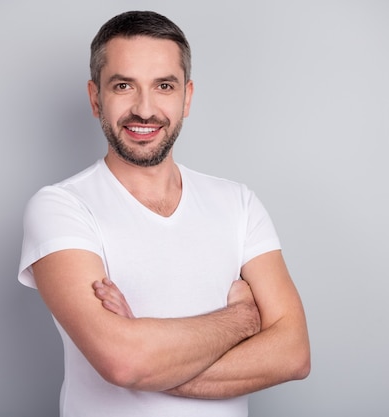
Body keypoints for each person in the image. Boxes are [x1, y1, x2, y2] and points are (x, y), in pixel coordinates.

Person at [18, 10, 310, 417]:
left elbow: (293, 353)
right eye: (123, 85)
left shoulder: (238, 203)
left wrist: (148, 358)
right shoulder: (62, 207)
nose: (144, 109)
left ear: (186, 97)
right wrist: (242, 319)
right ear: (94, 97)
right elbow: (124, 361)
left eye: (164, 86)